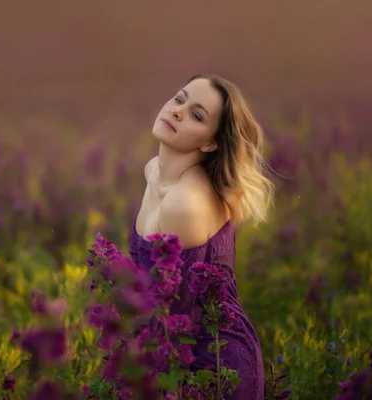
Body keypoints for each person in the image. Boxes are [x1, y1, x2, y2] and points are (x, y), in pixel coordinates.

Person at [129, 73, 275, 399]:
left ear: (210, 143)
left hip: (210, 368)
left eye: (197, 115)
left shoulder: (184, 204)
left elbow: (174, 320)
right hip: (173, 352)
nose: (177, 111)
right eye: (179, 99)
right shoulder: (154, 171)